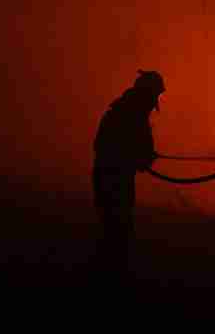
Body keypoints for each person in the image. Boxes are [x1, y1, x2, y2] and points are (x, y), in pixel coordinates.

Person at [92, 69, 163, 287]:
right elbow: (105, 147)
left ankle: (112, 275)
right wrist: (136, 157)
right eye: (155, 96)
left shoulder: (129, 112)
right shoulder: (127, 114)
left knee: (117, 228)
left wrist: (140, 157)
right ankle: (112, 278)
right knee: (116, 228)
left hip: (116, 177)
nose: (155, 103)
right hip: (112, 179)